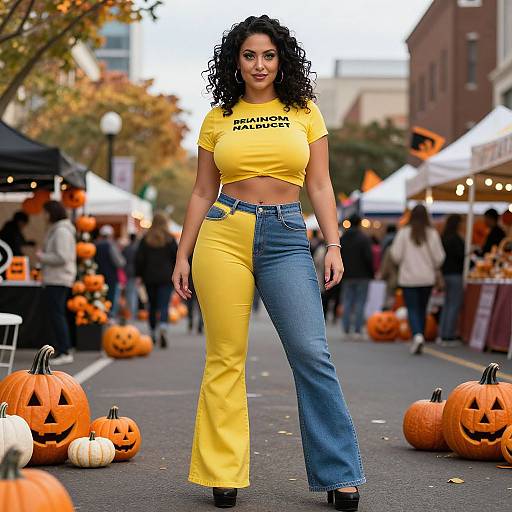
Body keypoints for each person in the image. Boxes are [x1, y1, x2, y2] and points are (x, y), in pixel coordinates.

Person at [171, 15, 364, 510]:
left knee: (311, 351)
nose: (259, 64)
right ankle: (223, 472)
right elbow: (200, 189)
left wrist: (333, 243)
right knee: (225, 357)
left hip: (285, 235)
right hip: (222, 233)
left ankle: (339, 473)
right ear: (236, 61)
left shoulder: (304, 113)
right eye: (250, 55)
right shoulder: (219, 117)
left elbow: (319, 185)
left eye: (268, 55)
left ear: (282, 60)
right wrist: (183, 251)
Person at [390, 204, 445, 355]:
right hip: (427, 278)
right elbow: (439, 258)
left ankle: (417, 335)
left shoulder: (404, 233)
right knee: (422, 308)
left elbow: (395, 255)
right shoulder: (432, 234)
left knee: (412, 308)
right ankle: (420, 334)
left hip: (408, 278)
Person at [37, 201, 76, 365]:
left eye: (45, 212)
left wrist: (42, 257)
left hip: (58, 278)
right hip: (57, 278)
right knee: (57, 314)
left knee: (57, 314)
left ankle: (64, 350)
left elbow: (62, 256)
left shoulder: (60, 232)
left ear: (51, 213)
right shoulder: (60, 230)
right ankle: (62, 349)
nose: (43, 216)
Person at [135, 212, 178, 347]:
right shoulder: (170, 239)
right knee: (164, 304)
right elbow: (176, 258)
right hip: (166, 277)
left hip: (149, 277)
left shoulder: (146, 239)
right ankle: (163, 327)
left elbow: (139, 259)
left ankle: (153, 331)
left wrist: (139, 275)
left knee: (152, 306)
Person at [340, 214, 374, 337]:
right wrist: (372, 273)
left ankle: (346, 328)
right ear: (360, 223)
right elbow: (368, 258)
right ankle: (358, 330)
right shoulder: (364, 238)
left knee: (347, 301)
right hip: (363, 275)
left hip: (347, 275)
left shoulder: (343, 238)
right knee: (360, 302)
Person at [438, 214, 465, 345]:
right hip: (455, 273)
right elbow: (461, 255)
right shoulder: (456, 239)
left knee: (447, 304)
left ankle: (443, 333)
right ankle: (448, 335)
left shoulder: (443, 237)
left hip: (445, 273)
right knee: (454, 304)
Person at [95, 225, 125, 318]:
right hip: (111, 277)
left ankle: (101, 316)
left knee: (100, 298)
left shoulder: (95, 245)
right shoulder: (111, 246)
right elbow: (120, 262)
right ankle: (110, 317)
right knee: (111, 298)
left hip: (97, 277)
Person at [122, 233, 140, 319]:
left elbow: (122, 260)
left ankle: (129, 312)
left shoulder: (126, 248)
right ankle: (133, 313)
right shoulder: (137, 248)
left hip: (127, 272)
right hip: (135, 272)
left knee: (129, 293)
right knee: (134, 293)